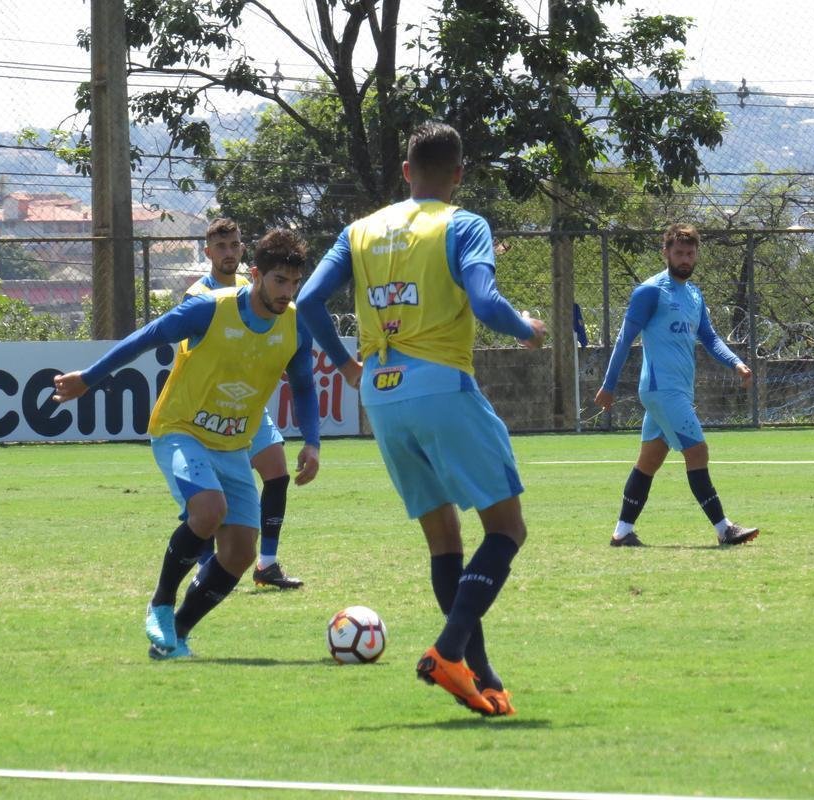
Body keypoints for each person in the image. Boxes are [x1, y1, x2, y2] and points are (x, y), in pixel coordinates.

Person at [297, 121, 546, 717]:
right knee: (507, 529)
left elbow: (307, 301)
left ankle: (479, 675)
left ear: (406, 170)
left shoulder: (358, 231)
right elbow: (484, 301)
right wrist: (526, 328)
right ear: (458, 174)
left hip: (380, 395)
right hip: (440, 385)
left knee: (444, 540)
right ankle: (449, 650)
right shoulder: (463, 224)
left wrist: (346, 365)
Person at [52, 228, 321, 659]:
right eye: (278, 281)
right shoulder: (209, 309)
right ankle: (160, 602)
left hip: (232, 443)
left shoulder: (295, 324)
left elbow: (304, 385)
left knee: (240, 553)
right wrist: (89, 378)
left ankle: (176, 633)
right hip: (181, 429)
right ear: (256, 275)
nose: (286, 292)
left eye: (294, 283)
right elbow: (146, 337)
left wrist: (312, 441)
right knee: (209, 510)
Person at [593, 222, 758, 548]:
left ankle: (622, 532)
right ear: (665, 252)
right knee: (697, 451)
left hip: (677, 391)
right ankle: (724, 529)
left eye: (690, 253)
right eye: (679, 252)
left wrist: (735, 362)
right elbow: (624, 339)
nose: (685, 259)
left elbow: (709, 338)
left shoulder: (694, 294)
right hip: (661, 390)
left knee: (649, 461)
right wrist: (608, 385)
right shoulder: (650, 291)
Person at [187, 217, 304, 589]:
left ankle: (266, 564)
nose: (229, 252)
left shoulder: (253, 288)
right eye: (221, 246)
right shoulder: (198, 295)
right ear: (208, 252)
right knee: (211, 496)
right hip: (211, 407)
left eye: (235, 245)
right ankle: (205, 566)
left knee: (278, 474)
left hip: (249, 406)